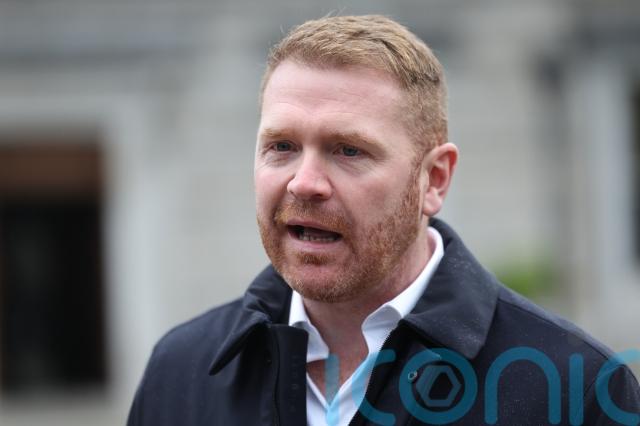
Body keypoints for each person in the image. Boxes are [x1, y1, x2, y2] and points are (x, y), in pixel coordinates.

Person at [127, 15, 640, 425]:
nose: (304, 182)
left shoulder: (578, 391)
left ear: (434, 179)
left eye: (348, 150)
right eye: (281, 146)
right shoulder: (182, 371)